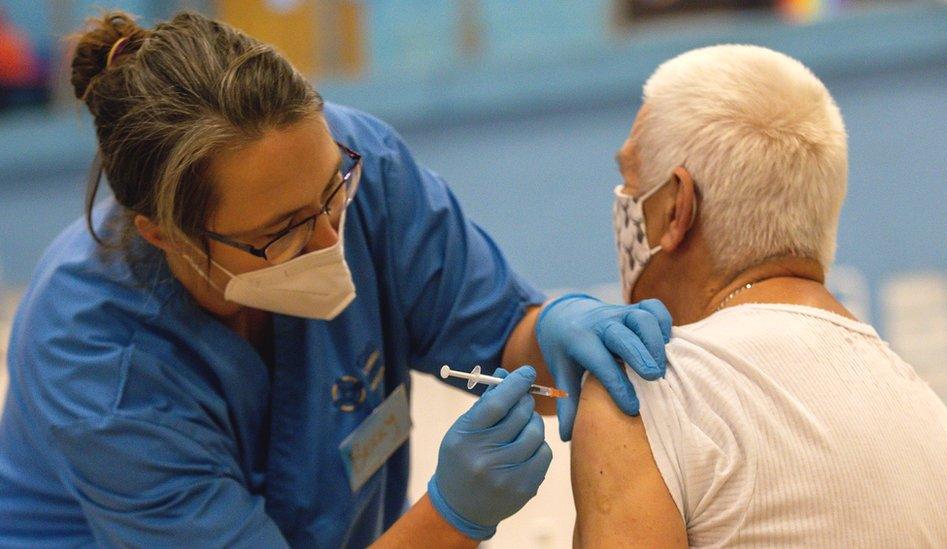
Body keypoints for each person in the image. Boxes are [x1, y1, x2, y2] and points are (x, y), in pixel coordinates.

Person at [0, 12, 673, 547]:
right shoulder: (98, 366)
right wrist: (451, 515)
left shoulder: (354, 163)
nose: (333, 238)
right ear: (164, 233)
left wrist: (557, 331)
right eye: (284, 229)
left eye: (333, 191)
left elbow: (497, 334)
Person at [571, 45, 947, 547]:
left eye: (631, 180)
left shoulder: (647, 395)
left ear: (677, 207)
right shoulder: (929, 417)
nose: (624, 203)